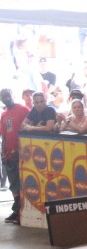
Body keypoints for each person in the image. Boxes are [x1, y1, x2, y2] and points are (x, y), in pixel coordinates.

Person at [0, 88, 30, 224]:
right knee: (14, 185)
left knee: (23, 184)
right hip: (9, 155)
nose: (6, 98)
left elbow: (30, 128)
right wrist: (3, 153)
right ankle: (17, 211)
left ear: (13, 95)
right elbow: (4, 136)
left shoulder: (23, 110)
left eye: (8, 95)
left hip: (23, 153)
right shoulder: (4, 114)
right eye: (3, 96)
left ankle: (21, 212)